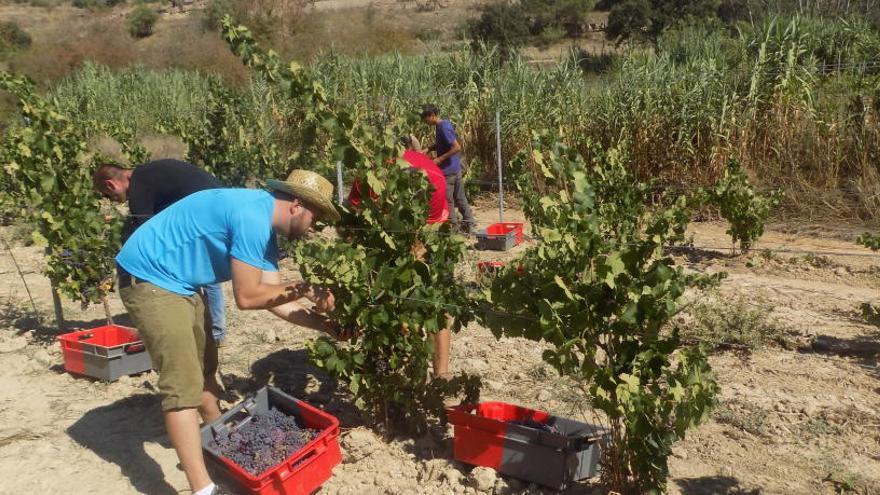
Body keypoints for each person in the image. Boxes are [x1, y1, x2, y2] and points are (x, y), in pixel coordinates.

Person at [115, 169, 346, 495]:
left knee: (205, 368)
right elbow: (247, 297)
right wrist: (305, 288)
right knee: (182, 388)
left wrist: (325, 326)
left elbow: (273, 298)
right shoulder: (251, 217)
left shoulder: (265, 230)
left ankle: (220, 441)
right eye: (316, 217)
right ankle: (203, 488)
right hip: (151, 278)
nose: (314, 227)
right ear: (297, 205)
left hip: (181, 282)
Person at [347, 135, 453, 379]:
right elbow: (353, 224)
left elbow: (426, 237)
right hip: (378, 235)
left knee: (438, 301)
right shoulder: (368, 178)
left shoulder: (433, 180)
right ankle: (387, 366)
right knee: (380, 297)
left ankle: (441, 375)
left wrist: (412, 268)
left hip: (429, 231)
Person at [93, 160, 230, 346]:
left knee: (203, 271)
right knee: (206, 269)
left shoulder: (139, 186)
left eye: (109, 195)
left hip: (207, 213)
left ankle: (215, 332)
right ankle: (215, 330)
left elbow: (145, 233)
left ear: (111, 184)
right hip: (220, 204)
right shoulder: (149, 174)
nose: (113, 200)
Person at [420, 103, 476, 233]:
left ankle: (454, 229)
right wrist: (428, 149)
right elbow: (442, 143)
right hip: (455, 169)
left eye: (425, 119)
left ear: (432, 115)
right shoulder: (441, 126)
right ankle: (470, 224)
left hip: (449, 172)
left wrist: (439, 159)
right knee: (460, 198)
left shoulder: (443, 127)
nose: (425, 122)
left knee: (448, 200)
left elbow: (456, 147)